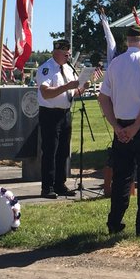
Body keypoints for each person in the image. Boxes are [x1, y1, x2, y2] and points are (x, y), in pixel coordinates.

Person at [98, 25, 140, 236]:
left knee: (121, 177)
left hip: (121, 124)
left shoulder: (115, 63)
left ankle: (114, 222)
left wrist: (117, 127)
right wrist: (136, 127)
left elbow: (103, 98)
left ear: (128, 41)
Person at [36, 38, 81, 199]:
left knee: (63, 151)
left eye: (69, 53)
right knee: (50, 151)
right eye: (65, 53)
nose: (68, 56)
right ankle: (47, 187)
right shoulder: (46, 69)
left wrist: (81, 88)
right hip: (50, 114)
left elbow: (70, 92)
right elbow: (46, 93)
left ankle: (60, 184)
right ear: (56, 52)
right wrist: (67, 86)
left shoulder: (68, 69)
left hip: (65, 113)